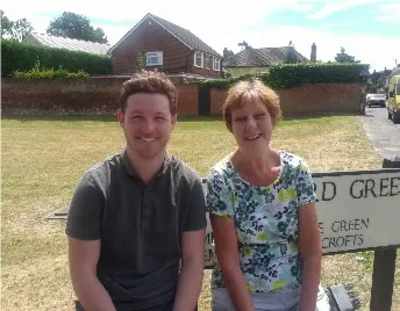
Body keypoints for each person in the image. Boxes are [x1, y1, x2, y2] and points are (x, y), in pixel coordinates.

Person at [66, 70, 207, 311]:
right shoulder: (94, 187)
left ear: (173, 121)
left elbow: (193, 262)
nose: (148, 128)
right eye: (137, 117)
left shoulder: (189, 184)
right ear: (121, 118)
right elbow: (83, 274)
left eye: (159, 118)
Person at [206, 79, 330, 311]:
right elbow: (229, 262)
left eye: (259, 116)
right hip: (242, 296)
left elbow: (312, 251)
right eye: (241, 119)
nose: (251, 125)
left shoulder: (296, 170)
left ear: (273, 118)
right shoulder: (221, 178)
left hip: (296, 290)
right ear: (230, 125)